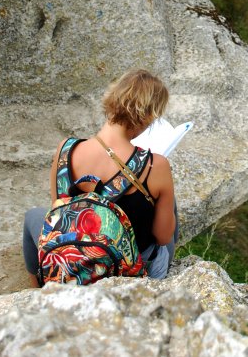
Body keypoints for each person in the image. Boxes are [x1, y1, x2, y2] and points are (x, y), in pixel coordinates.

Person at [23, 68, 178, 286]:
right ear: (148, 117)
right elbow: (162, 237)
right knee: (168, 209)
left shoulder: (65, 150)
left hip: (75, 261)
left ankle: (42, 289)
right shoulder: (155, 165)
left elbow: (60, 209)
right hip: (126, 275)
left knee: (33, 215)